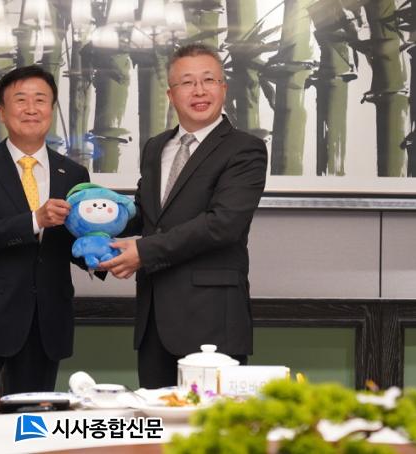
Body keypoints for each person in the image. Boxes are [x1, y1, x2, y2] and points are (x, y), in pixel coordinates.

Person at [100, 44, 268, 389]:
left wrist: (143, 251)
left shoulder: (245, 149)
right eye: (187, 82)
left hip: (212, 318)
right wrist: (92, 220)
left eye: (209, 80)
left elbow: (223, 224)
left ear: (223, 88)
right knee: (155, 418)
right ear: (171, 94)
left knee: (211, 421)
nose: (199, 90)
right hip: (154, 319)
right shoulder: (155, 147)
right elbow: (148, 214)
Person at [0, 65, 91, 397]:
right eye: (21, 100)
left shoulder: (73, 173)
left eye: (40, 100)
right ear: (2, 111)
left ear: (51, 109)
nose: (31, 109)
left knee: (31, 421)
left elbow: (75, 240)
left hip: (46, 321)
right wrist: (35, 220)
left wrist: (103, 255)